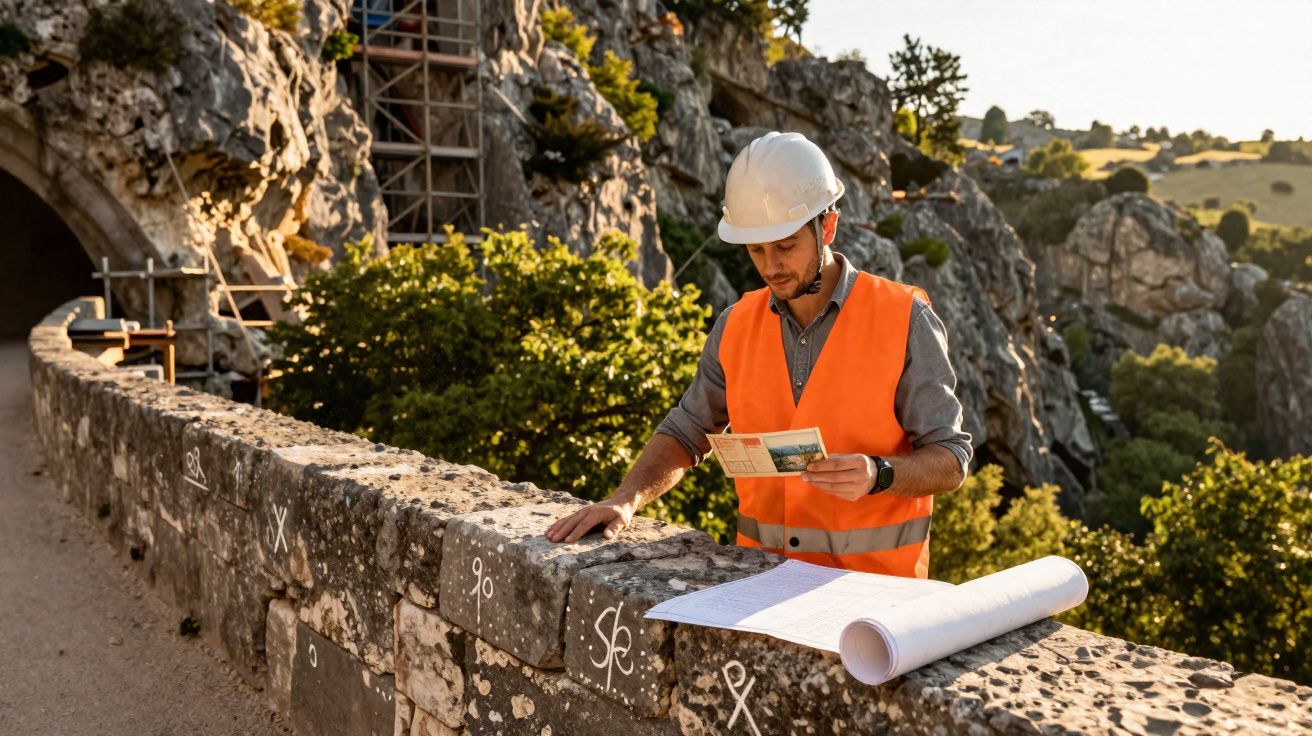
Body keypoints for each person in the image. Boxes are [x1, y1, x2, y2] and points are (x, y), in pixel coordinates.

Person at [546, 131, 972, 578]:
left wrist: (878, 473)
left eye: (785, 246)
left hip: (873, 595)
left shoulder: (904, 318)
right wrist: (625, 499)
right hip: (760, 584)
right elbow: (686, 431)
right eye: (756, 249)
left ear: (827, 227)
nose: (771, 266)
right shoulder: (736, 325)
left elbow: (951, 458)